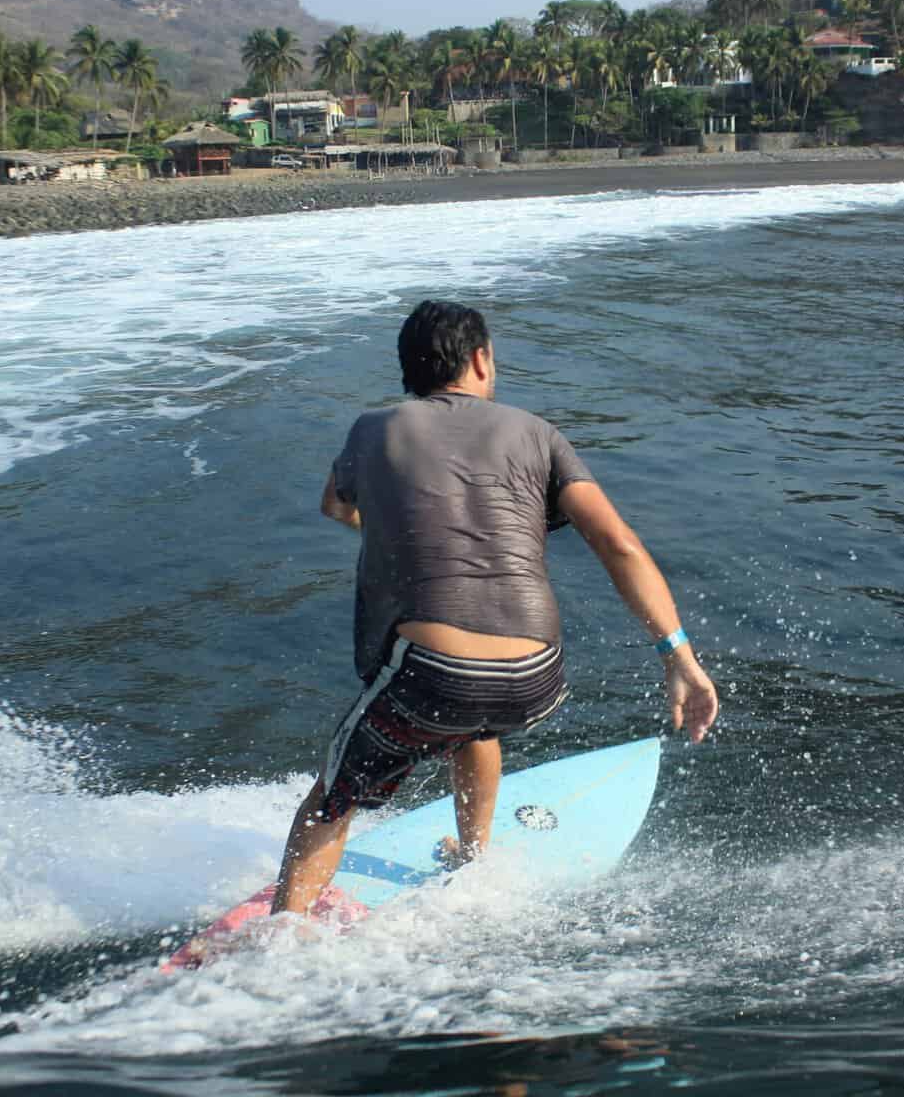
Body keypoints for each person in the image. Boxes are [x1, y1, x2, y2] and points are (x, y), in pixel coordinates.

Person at [268, 299, 719, 919]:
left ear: (409, 370)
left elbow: (335, 506)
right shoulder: (538, 433)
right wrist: (680, 659)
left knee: (334, 796)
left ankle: (281, 941)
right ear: (480, 359)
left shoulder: (372, 430)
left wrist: (392, 525)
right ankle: (473, 856)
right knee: (475, 725)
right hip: (535, 677)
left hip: (432, 674)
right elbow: (619, 544)